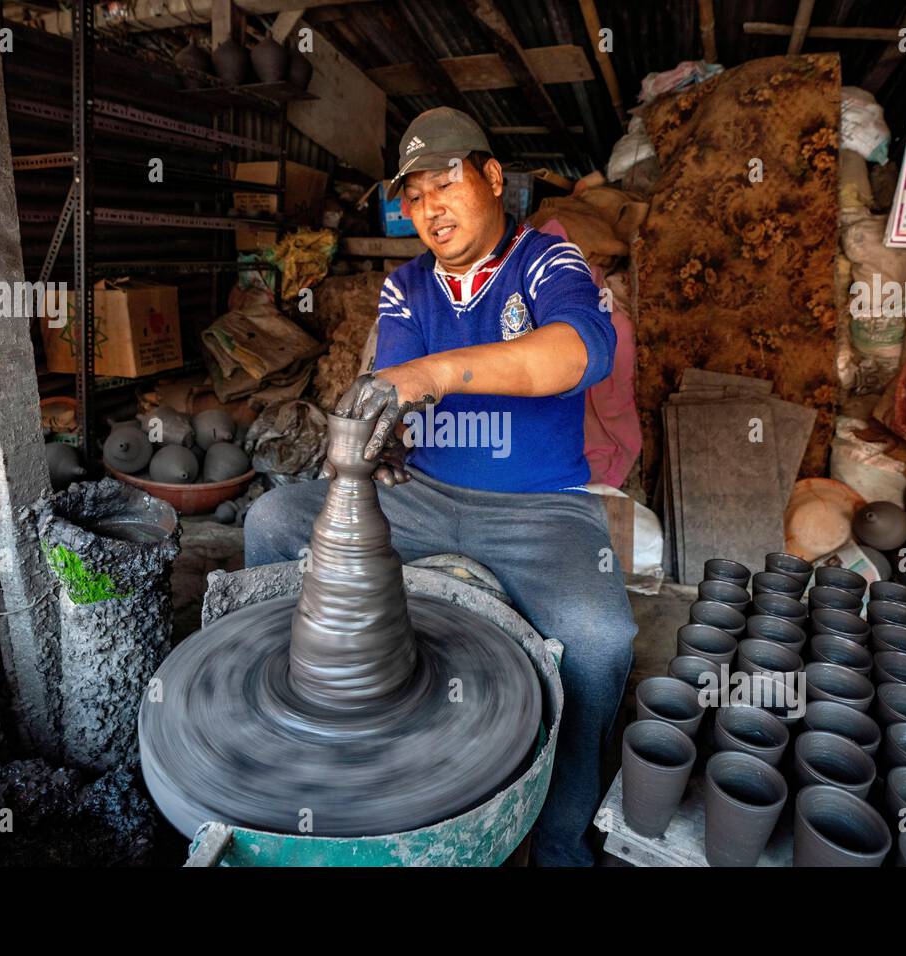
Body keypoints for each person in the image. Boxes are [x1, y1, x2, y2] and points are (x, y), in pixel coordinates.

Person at [244, 107, 637, 866]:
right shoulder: (406, 289)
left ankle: (560, 837)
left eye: (446, 183)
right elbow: (393, 382)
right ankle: (297, 740)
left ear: (493, 180)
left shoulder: (548, 261)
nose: (429, 208)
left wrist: (431, 375)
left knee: (600, 637)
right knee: (272, 521)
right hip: (419, 495)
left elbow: (573, 354)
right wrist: (380, 432)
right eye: (414, 195)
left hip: (541, 508)